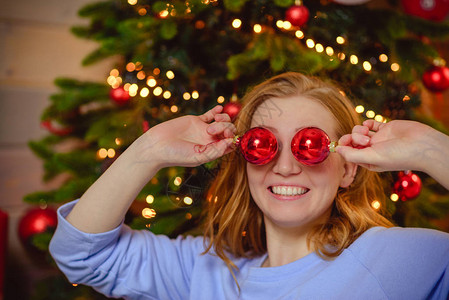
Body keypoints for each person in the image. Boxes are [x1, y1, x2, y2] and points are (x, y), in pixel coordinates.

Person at [49, 72, 449, 300]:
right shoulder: (204, 273)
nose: (286, 167)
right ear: (244, 162)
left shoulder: (397, 258)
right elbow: (81, 256)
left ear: (348, 170)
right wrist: (149, 149)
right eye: (263, 146)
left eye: (309, 147)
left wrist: (434, 151)